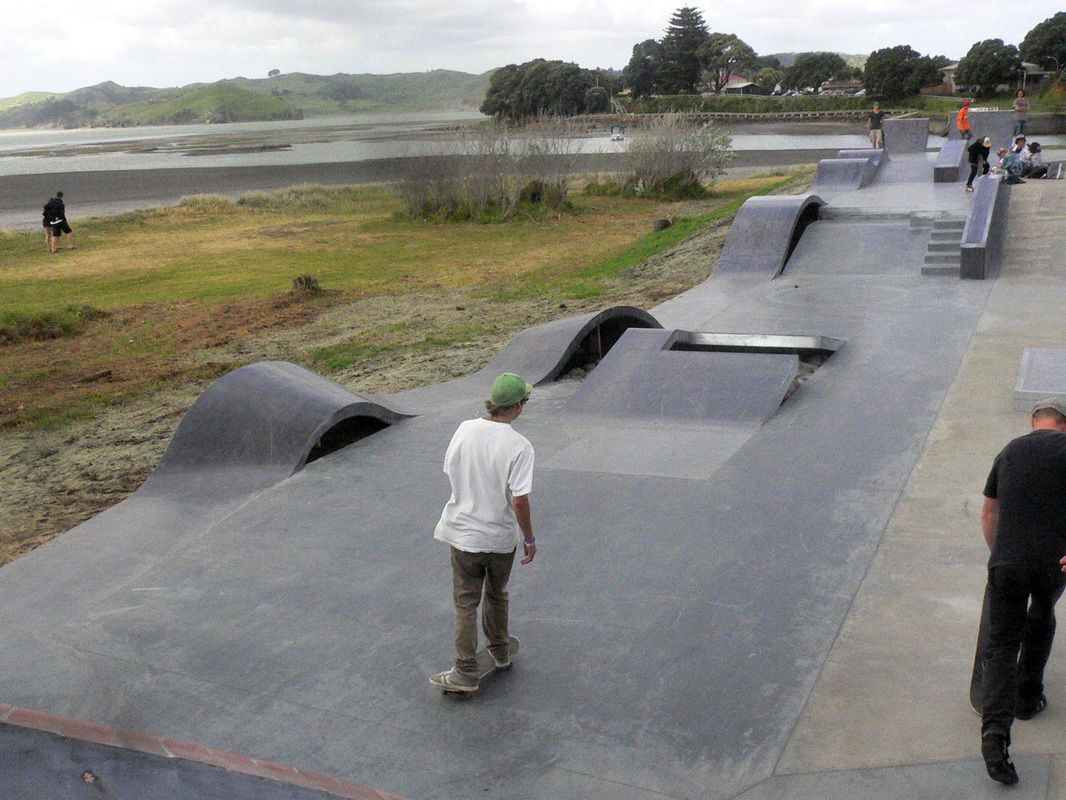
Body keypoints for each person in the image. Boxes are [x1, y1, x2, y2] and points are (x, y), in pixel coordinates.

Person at [430, 373, 537, 693]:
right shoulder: (519, 446)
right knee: (496, 593)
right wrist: (529, 538)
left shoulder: (464, 429)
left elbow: (449, 469)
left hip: (463, 534)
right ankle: (500, 649)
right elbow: (519, 500)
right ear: (517, 406)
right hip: (500, 539)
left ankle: (464, 670)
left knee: (466, 602)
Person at [978, 399, 1066, 786]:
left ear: (1034, 421)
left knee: (1000, 645)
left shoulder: (1010, 450)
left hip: (1008, 562)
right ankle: (1028, 697)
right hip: (1052, 563)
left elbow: (989, 511)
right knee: (1042, 616)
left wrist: (999, 555)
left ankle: (995, 734)